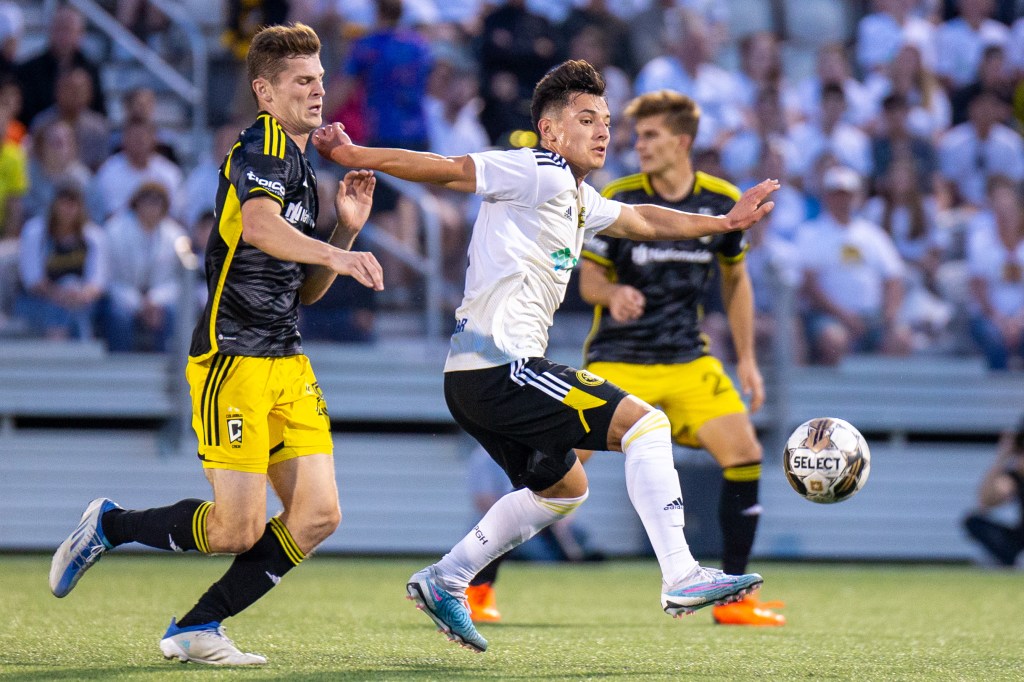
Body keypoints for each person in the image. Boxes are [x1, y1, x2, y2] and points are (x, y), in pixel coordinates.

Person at [312, 59, 779, 652]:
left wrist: (723, 221)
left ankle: (446, 578)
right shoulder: (539, 169)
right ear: (552, 132)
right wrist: (358, 157)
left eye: (606, 120)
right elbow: (451, 169)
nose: (603, 131)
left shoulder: (578, 197)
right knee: (647, 425)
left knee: (565, 489)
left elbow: (641, 219)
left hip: (478, 378)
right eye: (587, 119)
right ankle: (682, 575)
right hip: (500, 367)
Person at [48, 23, 384, 666]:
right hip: (233, 357)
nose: (318, 91)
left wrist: (342, 234)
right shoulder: (257, 145)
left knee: (316, 515)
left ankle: (196, 627)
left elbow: (305, 290)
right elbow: (257, 226)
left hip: (287, 358)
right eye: (302, 81)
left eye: (319, 79)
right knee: (238, 529)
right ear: (264, 90)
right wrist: (335, 255)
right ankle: (110, 525)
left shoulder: (303, 169)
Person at [576, 90, 784, 627]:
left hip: (689, 358)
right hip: (619, 359)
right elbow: (591, 276)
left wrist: (748, 360)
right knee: (560, 470)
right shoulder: (618, 196)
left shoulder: (720, 200)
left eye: (650, 136)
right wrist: (611, 295)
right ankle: (478, 587)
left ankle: (734, 603)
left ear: (683, 142)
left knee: (743, 452)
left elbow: (736, 281)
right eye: (638, 136)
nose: (637, 145)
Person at [962, 414, 1024, 566]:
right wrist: (1002, 457)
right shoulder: (1016, 476)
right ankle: (1013, 561)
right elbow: (986, 500)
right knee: (974, 521)